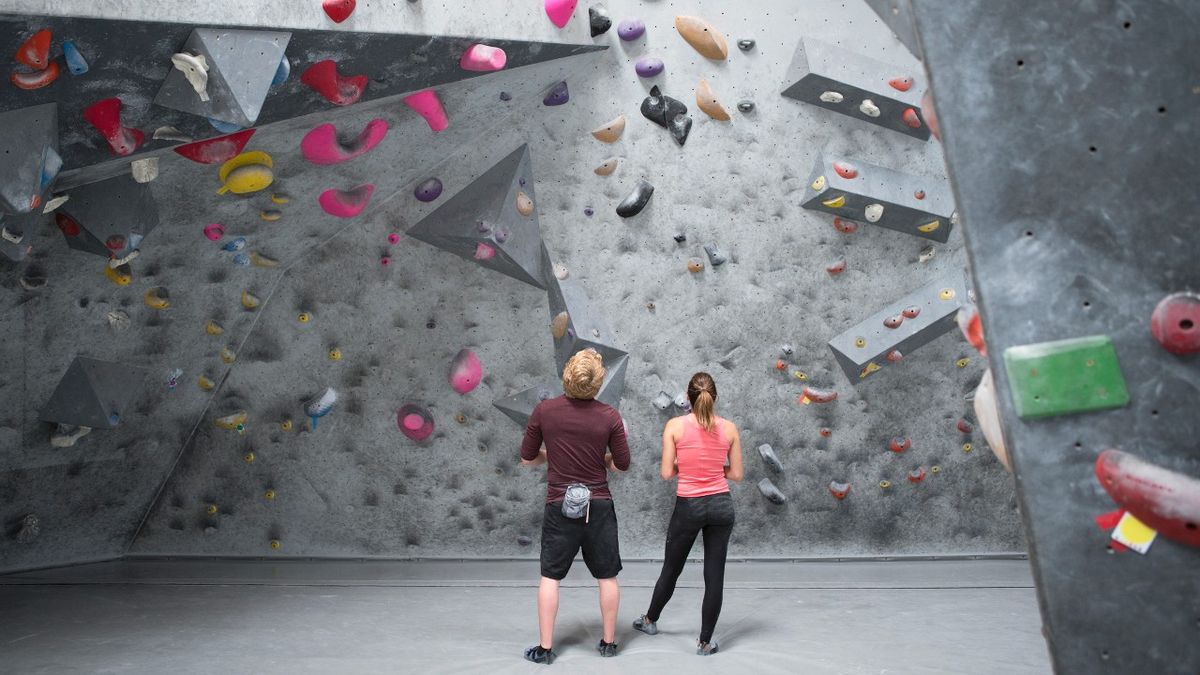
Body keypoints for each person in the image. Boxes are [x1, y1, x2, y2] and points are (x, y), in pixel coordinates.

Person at [520, 348, 631, 664]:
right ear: (596, 384)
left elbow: (527, 458)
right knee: (607, 576)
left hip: (559, 504)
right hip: (598, 505)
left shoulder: (544, 411)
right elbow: (622, 465)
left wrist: (551, 455)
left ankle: (544, 649)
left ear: (567, 376)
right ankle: (608, 644)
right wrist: (602, 458)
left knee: (550, 578)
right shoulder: (610, 416)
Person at [633, 372, 743, 655]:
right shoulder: (730, 428)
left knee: (672, 568)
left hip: (689, 506)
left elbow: (667, 472)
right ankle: (705, 643)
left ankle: (649, 620)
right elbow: (738, 474)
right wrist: (712, 469)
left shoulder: (674, 426)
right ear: (714, 397)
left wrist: (689, 467)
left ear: (688, 397)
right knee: (714, 575)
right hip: (721, 505)